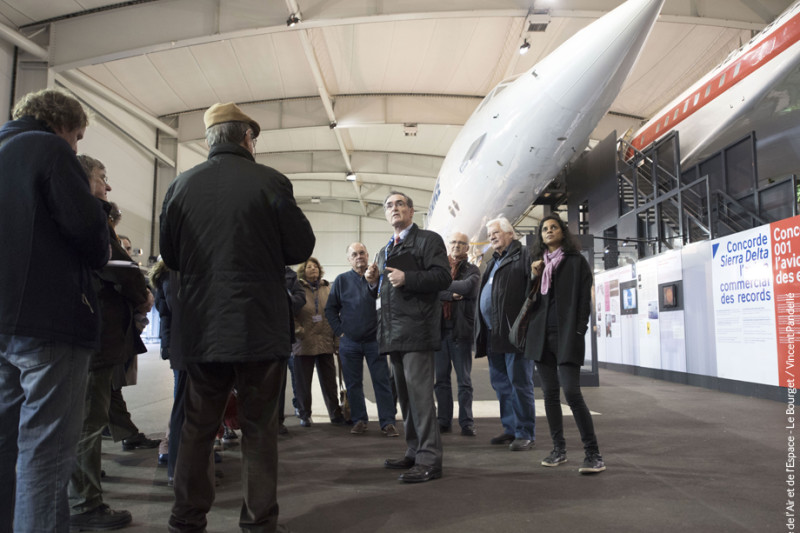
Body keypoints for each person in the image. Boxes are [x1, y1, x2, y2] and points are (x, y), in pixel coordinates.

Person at [161, 102, 314, 533]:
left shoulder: (180, 186)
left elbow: (170, 255)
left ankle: (186, 519)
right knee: (260, 429)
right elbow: (301, 247)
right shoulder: (270, 182)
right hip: (258, 328)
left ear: (211, 140)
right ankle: (258, 522)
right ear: (247, 138)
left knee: (197, 426)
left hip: (201, 329)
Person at [0, 89, 109, 533]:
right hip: (46, 322)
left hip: (3, 323)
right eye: (78, 136)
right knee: (46, 454)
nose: (77, 146)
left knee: (5, 446)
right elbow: (89, 235)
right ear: (62, 124)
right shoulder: (49, 150)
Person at [69, 154, 153, 531]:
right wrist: (142, 295)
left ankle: (82, 486)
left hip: (83, 333)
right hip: (95, 334)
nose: (108, 186)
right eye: (102, 177)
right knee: (88, 420)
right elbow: (122, 266)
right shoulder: (90, 216)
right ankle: (86, 503)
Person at [364, 191, 451, 483]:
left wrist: (408, 278)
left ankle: (430, 460)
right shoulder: (383, 250)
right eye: (389, 205)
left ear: (412, 211)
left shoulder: (428, 240)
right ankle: (414, 451)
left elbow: (443, 278)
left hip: (417, 330)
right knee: (406, 398)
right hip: (392, 333)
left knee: (421, 398)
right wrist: (372, 282)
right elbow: (382, 296)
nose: (394, 208)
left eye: (400, 204)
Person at [525, 214, 605, 474]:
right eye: (544, 229)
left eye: (553, 227)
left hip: (567, 335)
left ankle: (593, 454)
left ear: (562, 232)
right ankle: (558, 449)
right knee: (549, 395)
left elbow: (584, 300)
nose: (548, 231)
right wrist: (532, 275)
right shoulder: (538, 265)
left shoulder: (575, 262)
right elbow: (531, 300)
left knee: (571, 392)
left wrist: (579, 330)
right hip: (541, 337)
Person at [474, 216, 536, 451]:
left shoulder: (524, 256)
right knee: (501, 384)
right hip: (493, 334)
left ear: (510, 233)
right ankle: (511, 429)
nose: (491, 237)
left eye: (495, 232)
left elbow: (533, 292)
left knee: (520, 384)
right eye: (489, 234)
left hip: (514, 334)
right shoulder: (493, 262)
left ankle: (525, 432)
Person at [325, 242, 398, 437]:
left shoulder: (379, 280)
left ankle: (388, 422)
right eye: (355, 254)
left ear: (368, 256)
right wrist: (340, 331)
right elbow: (330, 309)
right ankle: (359, 420)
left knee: (381, 382)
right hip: (350, 342)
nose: (359, 257)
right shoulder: (341, 281)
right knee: (353, 383)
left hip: (374, 340)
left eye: (362, 253)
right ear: (349, 259)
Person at [434, 232, 480, 437]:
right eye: (453, 242)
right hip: (439, 330)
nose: (457, 246)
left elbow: (468, 287)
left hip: (461, 331)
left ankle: (466, 423)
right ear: (448, 245)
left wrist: (441, 288)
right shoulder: (438, 269)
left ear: (467, 248)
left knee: (464, 381)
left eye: (462, 243)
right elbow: (431, 291)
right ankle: (443, 421)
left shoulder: (473, 270)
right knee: (441, 380)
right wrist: (450, 294)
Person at [293, 258, 345, 427]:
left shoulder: (328, 288)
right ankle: (304, 414)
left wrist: (337, 340)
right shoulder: (297, 289)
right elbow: (290, 313)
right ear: (303, 271)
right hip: (304, 341)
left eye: (316, 266)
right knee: (303, 383)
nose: (313, 269)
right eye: (309, 266)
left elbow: (336, 314)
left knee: (330, 382)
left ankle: (335, 413)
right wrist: (298, 331)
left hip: (325, 341)